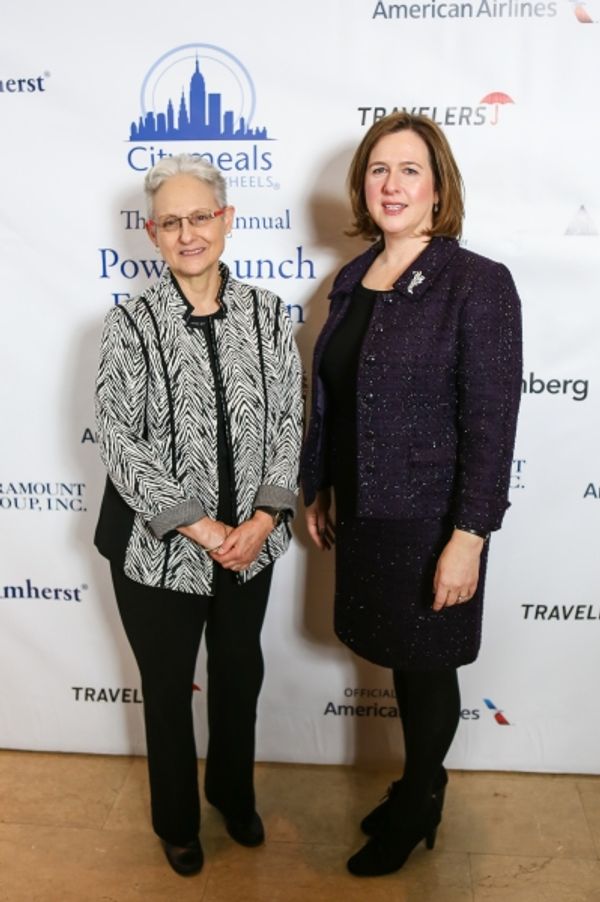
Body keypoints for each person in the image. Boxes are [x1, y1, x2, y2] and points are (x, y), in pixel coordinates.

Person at [301, 112, 522, 877]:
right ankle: (414, 783)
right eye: (378, 170)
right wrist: (320, 483)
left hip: (430, 518)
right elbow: (333, 394)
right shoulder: (352, 278)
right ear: (363, 185)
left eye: (409, 170)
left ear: (438, 188)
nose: (391, 185)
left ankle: (423, 798)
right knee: (400, 658)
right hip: (363, 510)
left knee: (427, 666)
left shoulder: (477, 283)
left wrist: (470, 534)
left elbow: (491, 424)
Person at [94, 153, 303, 877]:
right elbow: (120, 442)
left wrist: (265, 524)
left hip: (252, 546)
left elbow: (287, 427)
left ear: (227, 221)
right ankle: (178, 822)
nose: (189, 234)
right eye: (172, 222)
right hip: (159, 555)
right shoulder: (129, 326)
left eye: (201, 217)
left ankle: (232, 795)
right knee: (167, 691)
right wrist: (203, 527)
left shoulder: (270, 316)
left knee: (240, 677)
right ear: (153, 234)